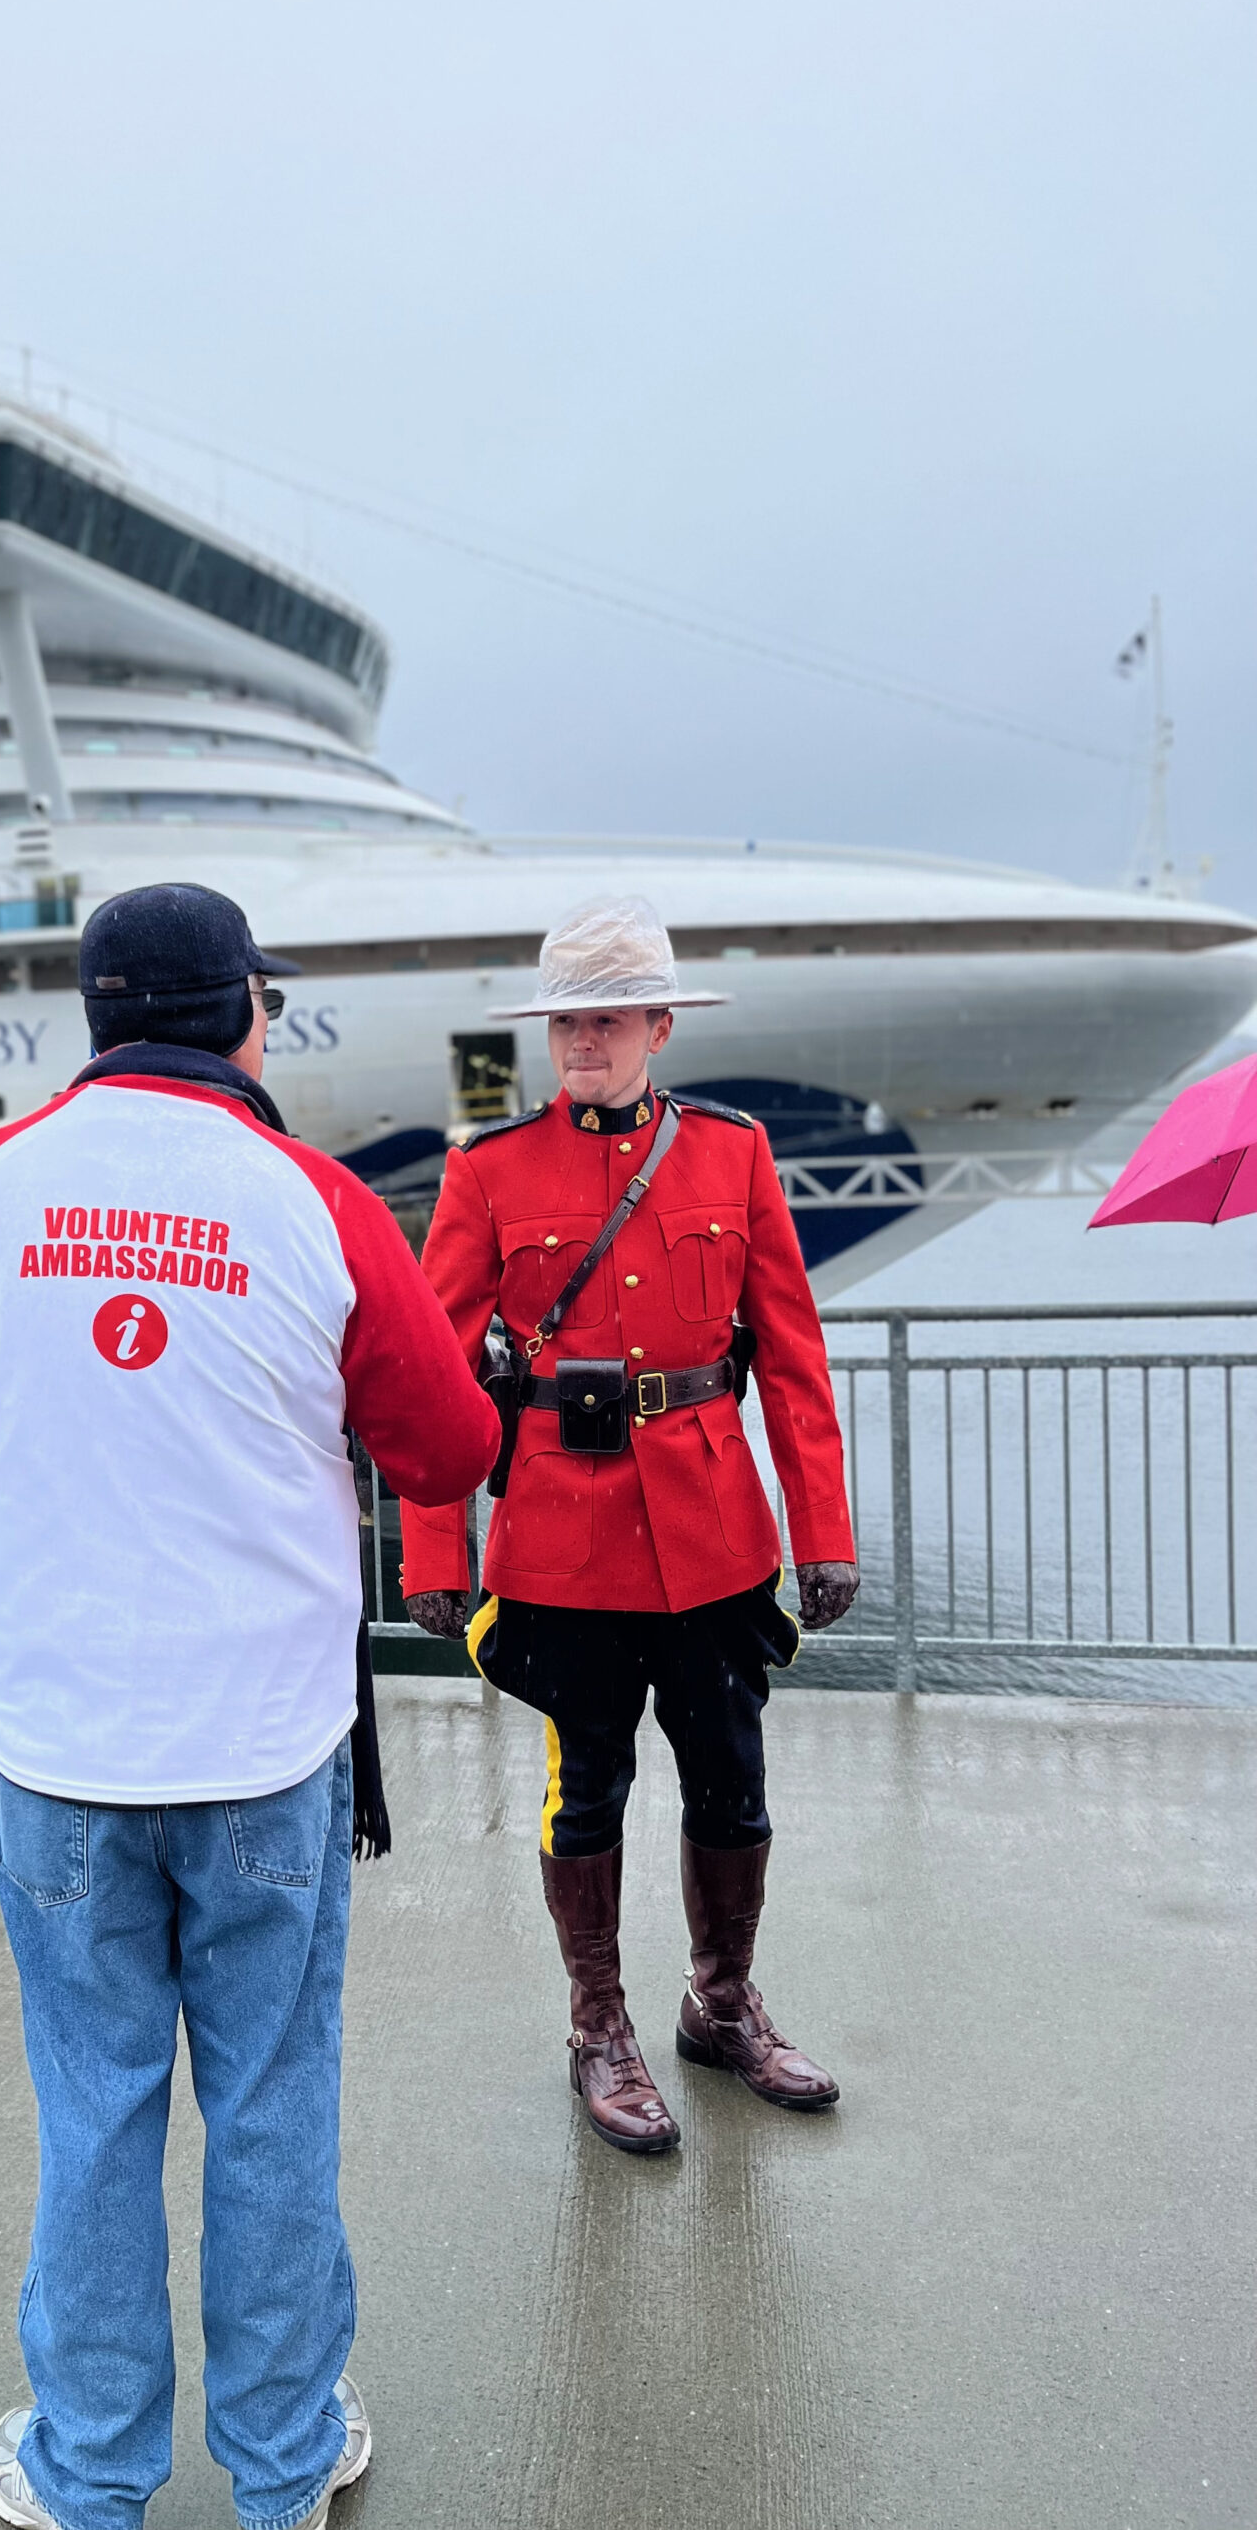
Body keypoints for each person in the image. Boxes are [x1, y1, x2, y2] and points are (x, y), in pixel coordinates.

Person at [0, 882, 499, 2530]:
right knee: (269, 2111)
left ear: (98, 1019)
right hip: (264, 1749)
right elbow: (452, 1451)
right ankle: (280, 2474)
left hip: (55, 1751)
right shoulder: (312, 1200)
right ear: (245, 1014)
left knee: (96, 2112)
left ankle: (92, 2472)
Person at [401, 895, 859, 2154]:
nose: (583, 1042)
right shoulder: (488, 1172)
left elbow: (793, 1358)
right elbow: (437, 1373)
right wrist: (433, 1548)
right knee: (585, 1789)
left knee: (733, 1780)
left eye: (606, 1019)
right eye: (566, 1022)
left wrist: (823, 1531)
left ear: (661, 1024)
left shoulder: (732, 1152)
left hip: (715, 1532)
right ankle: (597, 2026)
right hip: (562, 1540)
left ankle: (721, 2004)